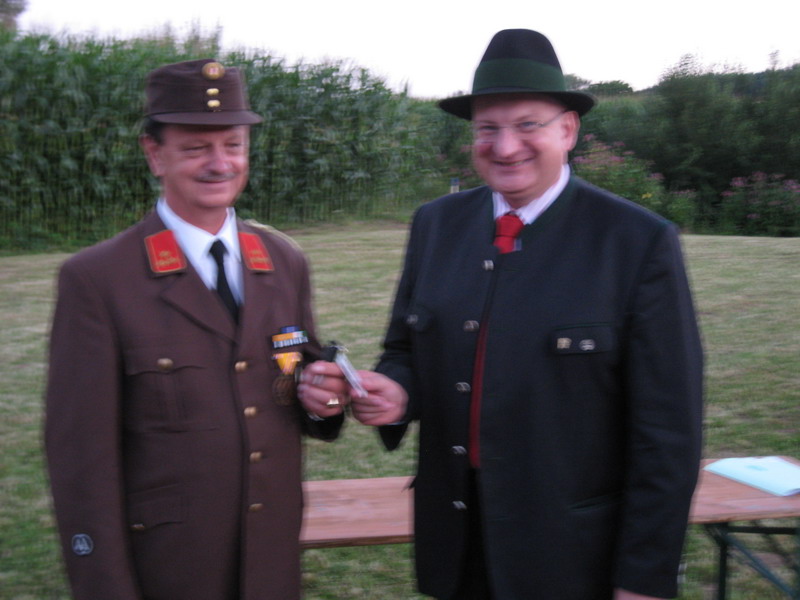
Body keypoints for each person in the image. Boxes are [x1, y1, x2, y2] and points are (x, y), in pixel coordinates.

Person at [300, 29, 703, 600]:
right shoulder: (436, 225)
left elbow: (668, 432)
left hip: (570, 556)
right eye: (487, 128)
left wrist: (644, 578)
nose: (505, 146)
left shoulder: (635, 242)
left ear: (568, 129)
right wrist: (398, 392)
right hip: (458, 541)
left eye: (527, 125)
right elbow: (406, 349)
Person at [44, 58, 344, 600]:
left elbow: (293, 381)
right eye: (196, 148)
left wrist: (323, 398)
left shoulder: (283, 260)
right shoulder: (98, 279)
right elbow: (81, 461)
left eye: (233, 145)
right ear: (154, 154)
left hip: (270, 557)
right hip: (172, 565)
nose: (219, 163)